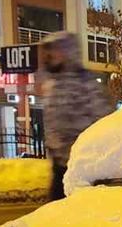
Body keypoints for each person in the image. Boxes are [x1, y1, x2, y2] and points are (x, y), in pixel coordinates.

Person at [38, 31, 115, 200]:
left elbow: (103, 122)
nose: (49, 56)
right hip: (60, 165)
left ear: (68, 52)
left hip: (82, 166)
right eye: (47, 51)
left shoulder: (86, 84)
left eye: (54, 50)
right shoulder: (53, 85)